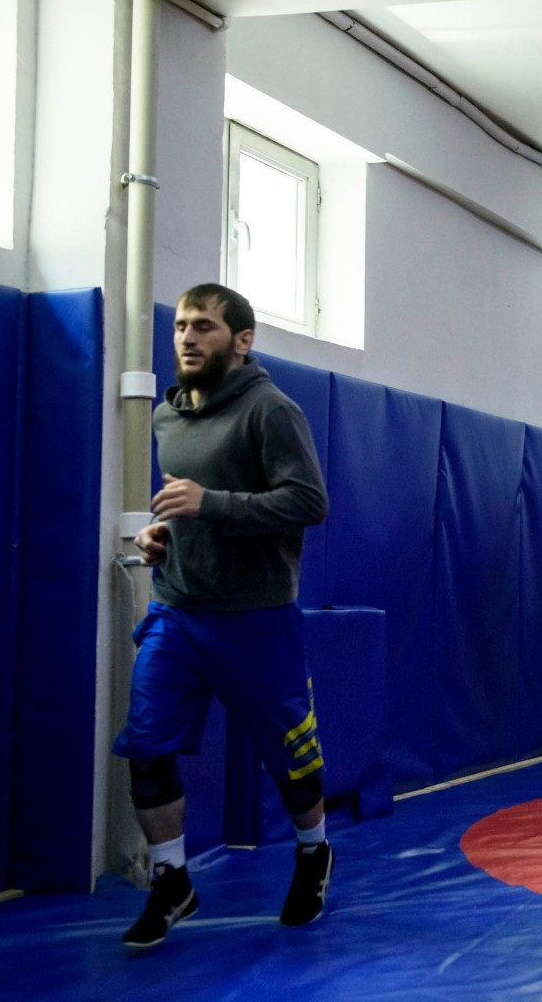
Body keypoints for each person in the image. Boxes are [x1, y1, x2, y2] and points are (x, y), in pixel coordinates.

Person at [118, 284, 332, 948]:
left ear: (242, 340)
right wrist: (161, 537)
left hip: (256, 616)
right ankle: (172, 881)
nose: (187, 337)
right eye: (181, 325)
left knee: (290, 759)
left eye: (204, 326)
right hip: (178, 610)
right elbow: (184, 507)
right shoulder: (166, 416)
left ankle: (314, 852)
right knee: (147, 747)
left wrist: (211, 505)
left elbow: (309, 502)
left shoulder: (272, 410)